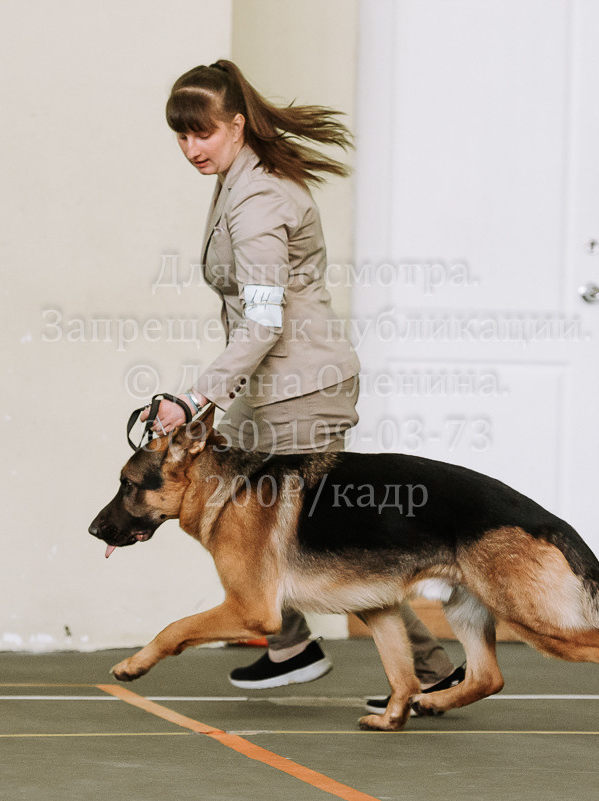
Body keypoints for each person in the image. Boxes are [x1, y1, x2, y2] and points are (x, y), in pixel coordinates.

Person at [144, 60, 464, 703]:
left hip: (302, 390)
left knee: (327, 545)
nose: (192, 148)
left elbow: (263, 322)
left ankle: (430, 672)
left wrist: (194, 396)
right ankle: (292, 646)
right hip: (270, 387)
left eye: (203, 133)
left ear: (237, 125)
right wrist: (209, 401)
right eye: (182, 136)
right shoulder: (239, 177)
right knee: (233, 511)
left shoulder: (259, 199)